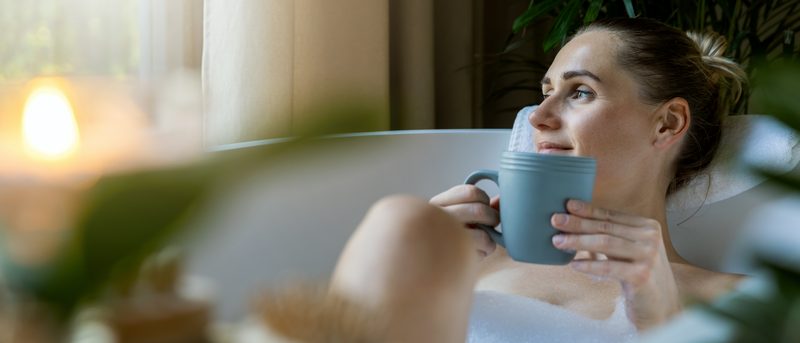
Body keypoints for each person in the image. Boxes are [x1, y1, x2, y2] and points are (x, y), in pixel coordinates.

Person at [257, 17, 748, 342]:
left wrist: (663, 323)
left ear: (667, 124)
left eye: (579, 92)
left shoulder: (740, 299)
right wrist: (417, 251)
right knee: (401, 219)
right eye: (545, 92)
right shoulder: (468, 260)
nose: (537, 116)